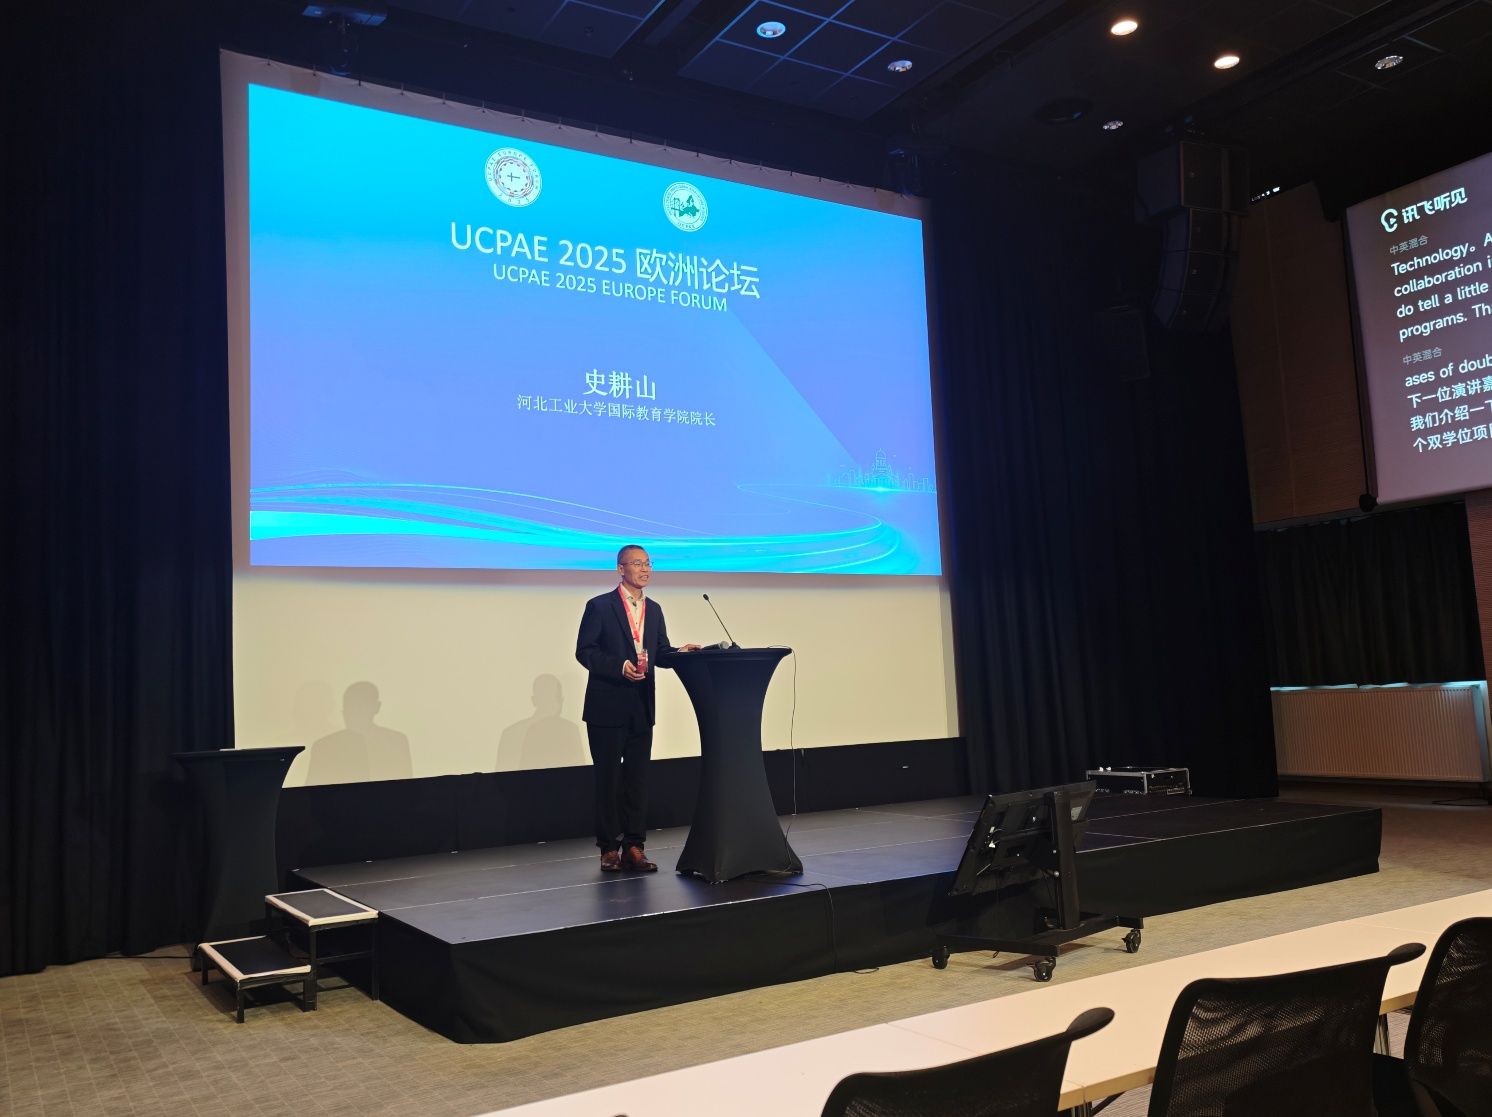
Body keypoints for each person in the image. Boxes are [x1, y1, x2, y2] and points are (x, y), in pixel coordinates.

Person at [575, 544, 698, 872]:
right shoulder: (599, 606)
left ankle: (634, 845)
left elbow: (659, 652)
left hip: (641, 705)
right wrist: (619, 667)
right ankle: (608, 848)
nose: (645, 569)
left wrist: (679, 654)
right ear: (621, 569)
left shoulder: (654, 609)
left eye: (648, 563)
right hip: (606, 705)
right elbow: (585, 651)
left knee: (637, 779)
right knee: (608, 779)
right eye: (637, 563)